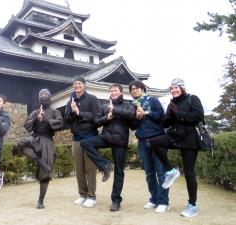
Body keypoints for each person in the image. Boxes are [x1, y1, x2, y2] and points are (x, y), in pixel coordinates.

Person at [148, 78, 204, 217]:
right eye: (171, 88)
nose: (173, 90)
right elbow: (165, 123)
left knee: (189, 172)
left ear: (182, 88)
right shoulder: (172, 103)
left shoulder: (192, 98)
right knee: (154, 142)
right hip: (174, 135)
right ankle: (171, 170)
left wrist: (178, 113)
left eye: (176, 87)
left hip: (190, 138)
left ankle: (192, 205)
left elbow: (198, 116)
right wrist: (169, 116)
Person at [80, 84, 135, 211]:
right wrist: (107, 117)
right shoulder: (104, 106)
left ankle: (116, 201)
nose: (113, 92)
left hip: (120, 140)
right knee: (85, 143)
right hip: (105, 136)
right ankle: (105, 165)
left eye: (116, 90)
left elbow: (131, 115)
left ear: (121, 92)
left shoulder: (128, 105)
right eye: (111, 90)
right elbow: (96, 121)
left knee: (119, 171)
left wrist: (114, 110)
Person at [17, 89, 63, 209]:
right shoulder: (34, 112)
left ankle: (40, 200)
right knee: (21, 142)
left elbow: (59, 124)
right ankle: (40, 161)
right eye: (41, 95)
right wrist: (37, 118)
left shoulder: (55, 112)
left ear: (50, 97)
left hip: (47, 141)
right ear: (39, 98)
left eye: (46, 94)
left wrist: (46, 120)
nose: (43, 96)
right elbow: (27, 126)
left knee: (45, 173)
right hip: (35, 139)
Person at [129, 80, 170, 213]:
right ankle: (154, 199)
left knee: (161, 172)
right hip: (142, 142)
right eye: (132, 89)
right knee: (149, 173)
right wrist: (137, 117)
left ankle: (164, 202)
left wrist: (146, 113)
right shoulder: (132, 105)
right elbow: (132, 126)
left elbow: (161, 116)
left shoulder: (152, 100)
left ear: (142, 89)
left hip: (157, 139)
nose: (134, 91)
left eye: (136, 88)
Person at [64, 76, 100, 208]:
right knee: (78, 168)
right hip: (76, 138)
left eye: (79, 83)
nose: (77, 86)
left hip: (90, 137)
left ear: (84, 85)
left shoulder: (92, 99)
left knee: (90, 168)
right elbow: (67, 119)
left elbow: (96, 117)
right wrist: (73, 112)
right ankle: (82, 194)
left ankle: (92, 196)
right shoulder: (70, 101)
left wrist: (80, 113)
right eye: (75, 84)